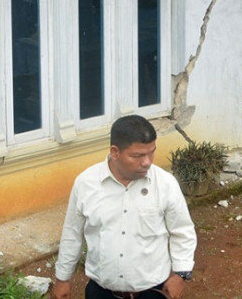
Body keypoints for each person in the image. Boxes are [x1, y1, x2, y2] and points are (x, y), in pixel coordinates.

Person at [53, 115, 197, 299]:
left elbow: (182, 231)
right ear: (115, 152)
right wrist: (63, 279)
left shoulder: (166, 184)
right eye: (137, 155)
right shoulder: (86, 183)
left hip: (152, 292)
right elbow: (72, 234)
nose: (147, 162)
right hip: (101, 293)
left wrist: (181, 274)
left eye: (151, 152)